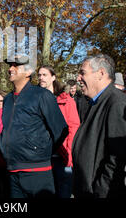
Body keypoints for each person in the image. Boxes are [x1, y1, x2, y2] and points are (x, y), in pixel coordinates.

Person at [72, 54, 126, 198]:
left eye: (83, 73)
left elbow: (121, 159)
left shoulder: (117, 104)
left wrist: (100, 191)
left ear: (101, 73)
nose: (78, 78)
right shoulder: (95, 102)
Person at [0, 56, 68, 198]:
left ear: (28, 72)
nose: (10, 69)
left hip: (38, 170)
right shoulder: (7, 100)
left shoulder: (42, 95)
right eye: (10, 65)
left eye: (15, 66)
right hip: (12, 170)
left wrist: (41, 150)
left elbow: (61, 130)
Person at [38, 65, 80, 198]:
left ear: (53, 77)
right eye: (39, 75)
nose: (41, 78)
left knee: (63, 193)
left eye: (44, 75)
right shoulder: (35, 99)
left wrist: (69, 152)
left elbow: (73, 127)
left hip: (62, 156)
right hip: (42, 157)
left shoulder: (66, 100)